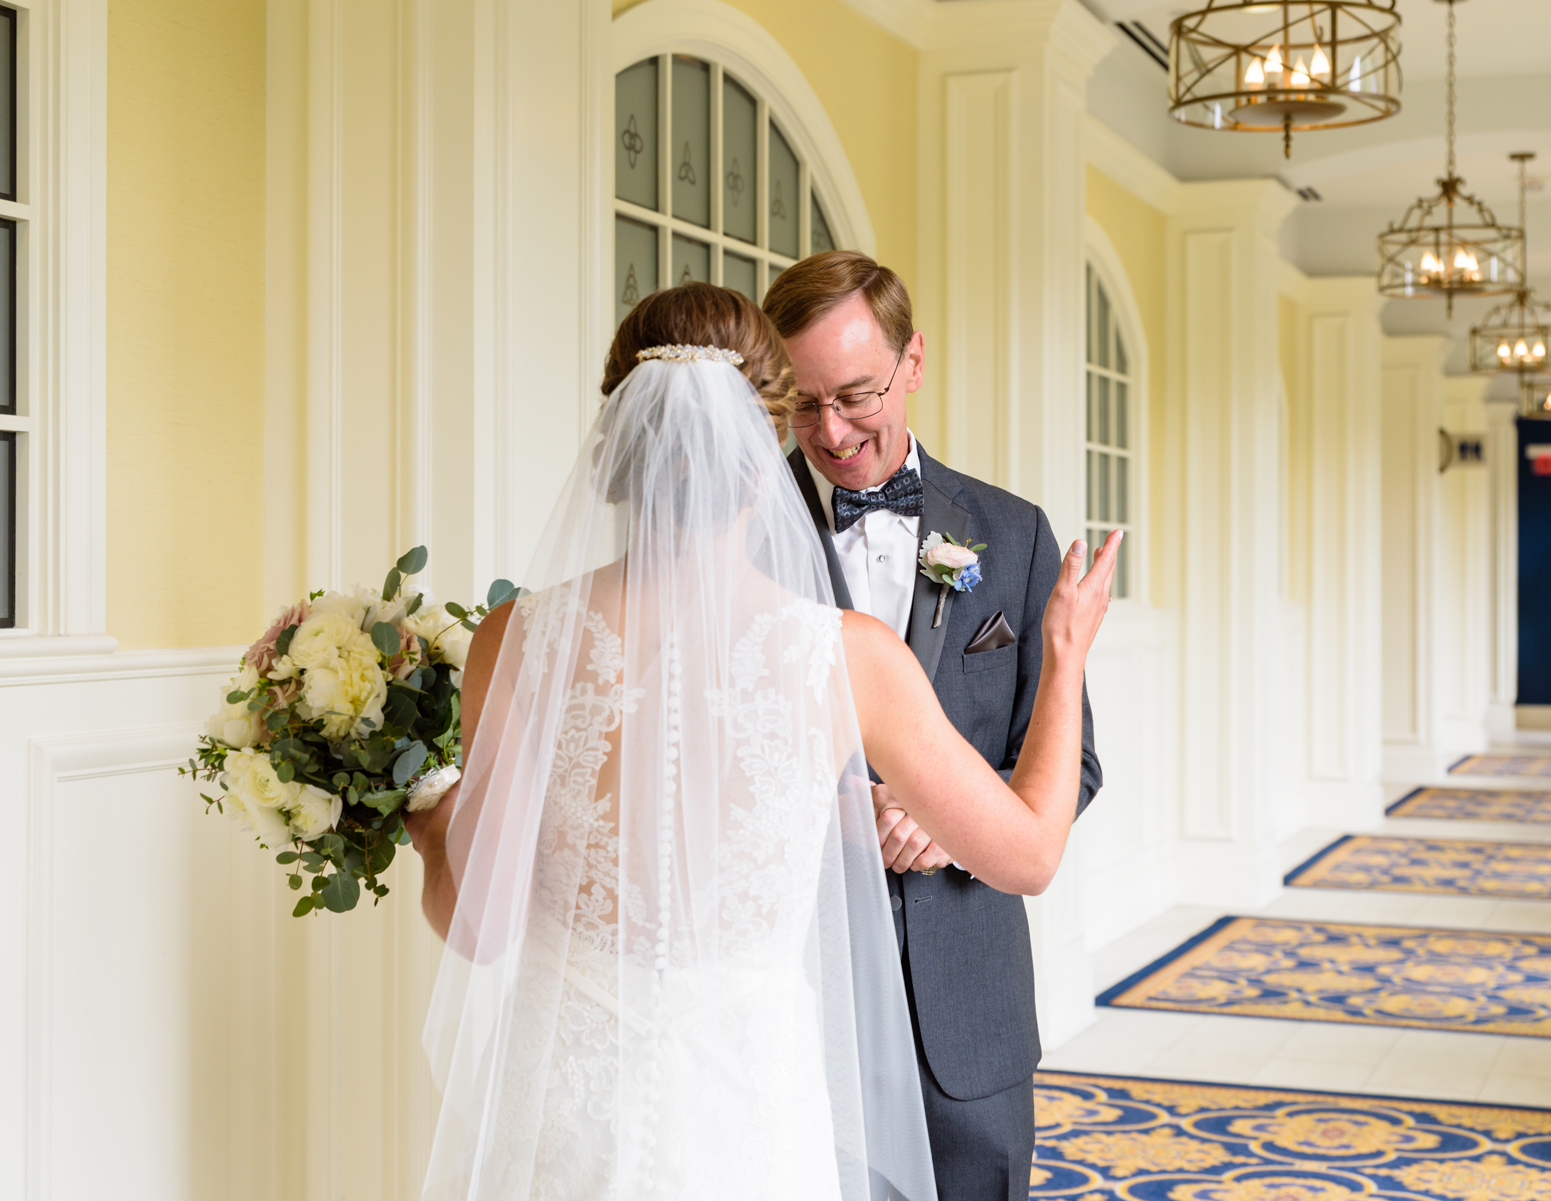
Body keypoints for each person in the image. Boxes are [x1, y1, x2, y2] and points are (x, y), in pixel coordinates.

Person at [405, 282, 1116, 1201]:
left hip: (566, 1103)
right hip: (746, 1107)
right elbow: (1031, 852)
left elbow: (480, 927)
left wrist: (433, 833)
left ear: (618, 437)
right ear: (761, 447)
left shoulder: (518, 635)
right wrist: (1063, 653)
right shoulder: (846, 658)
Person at [764, 250, 1103, 1201]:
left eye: (857, 394)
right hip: (797, 993)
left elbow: (1071, 759)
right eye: (802, 403)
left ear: (914, 362)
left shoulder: (1014, 530)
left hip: (972, 1001)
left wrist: (957, 813)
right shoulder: (736, 536)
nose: (830, 431)